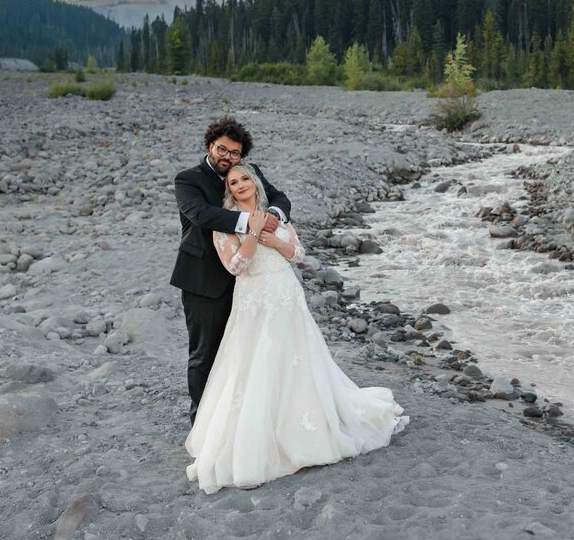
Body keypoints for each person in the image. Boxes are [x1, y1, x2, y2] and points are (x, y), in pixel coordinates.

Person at [185, 162, 407, 493]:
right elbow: (235, 267)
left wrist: (272, 238)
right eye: (234, 182)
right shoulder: (225, 224)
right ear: (228, 189)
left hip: (287, 296)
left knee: (297, 359)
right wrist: (251, 234)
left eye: (245, 178)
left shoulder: (277, 215)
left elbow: (297, 253)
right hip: (255, 300)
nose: (241, 184)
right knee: (257, 362)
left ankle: (309, 426)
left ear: (255, 182)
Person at [170, 117, 291, 424]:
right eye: (222, 149)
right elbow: (202, 214)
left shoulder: (247, 174)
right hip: (203, 279)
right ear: (210, 145)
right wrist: (250, 222)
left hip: (249, 280)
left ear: (241, 156)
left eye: (234, 153)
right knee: (204, 354)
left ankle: (238, 420)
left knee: (243, 351)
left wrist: (272, 215)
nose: (227, 157)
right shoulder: (188, 179)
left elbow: (279, 198)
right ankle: (201, 423)